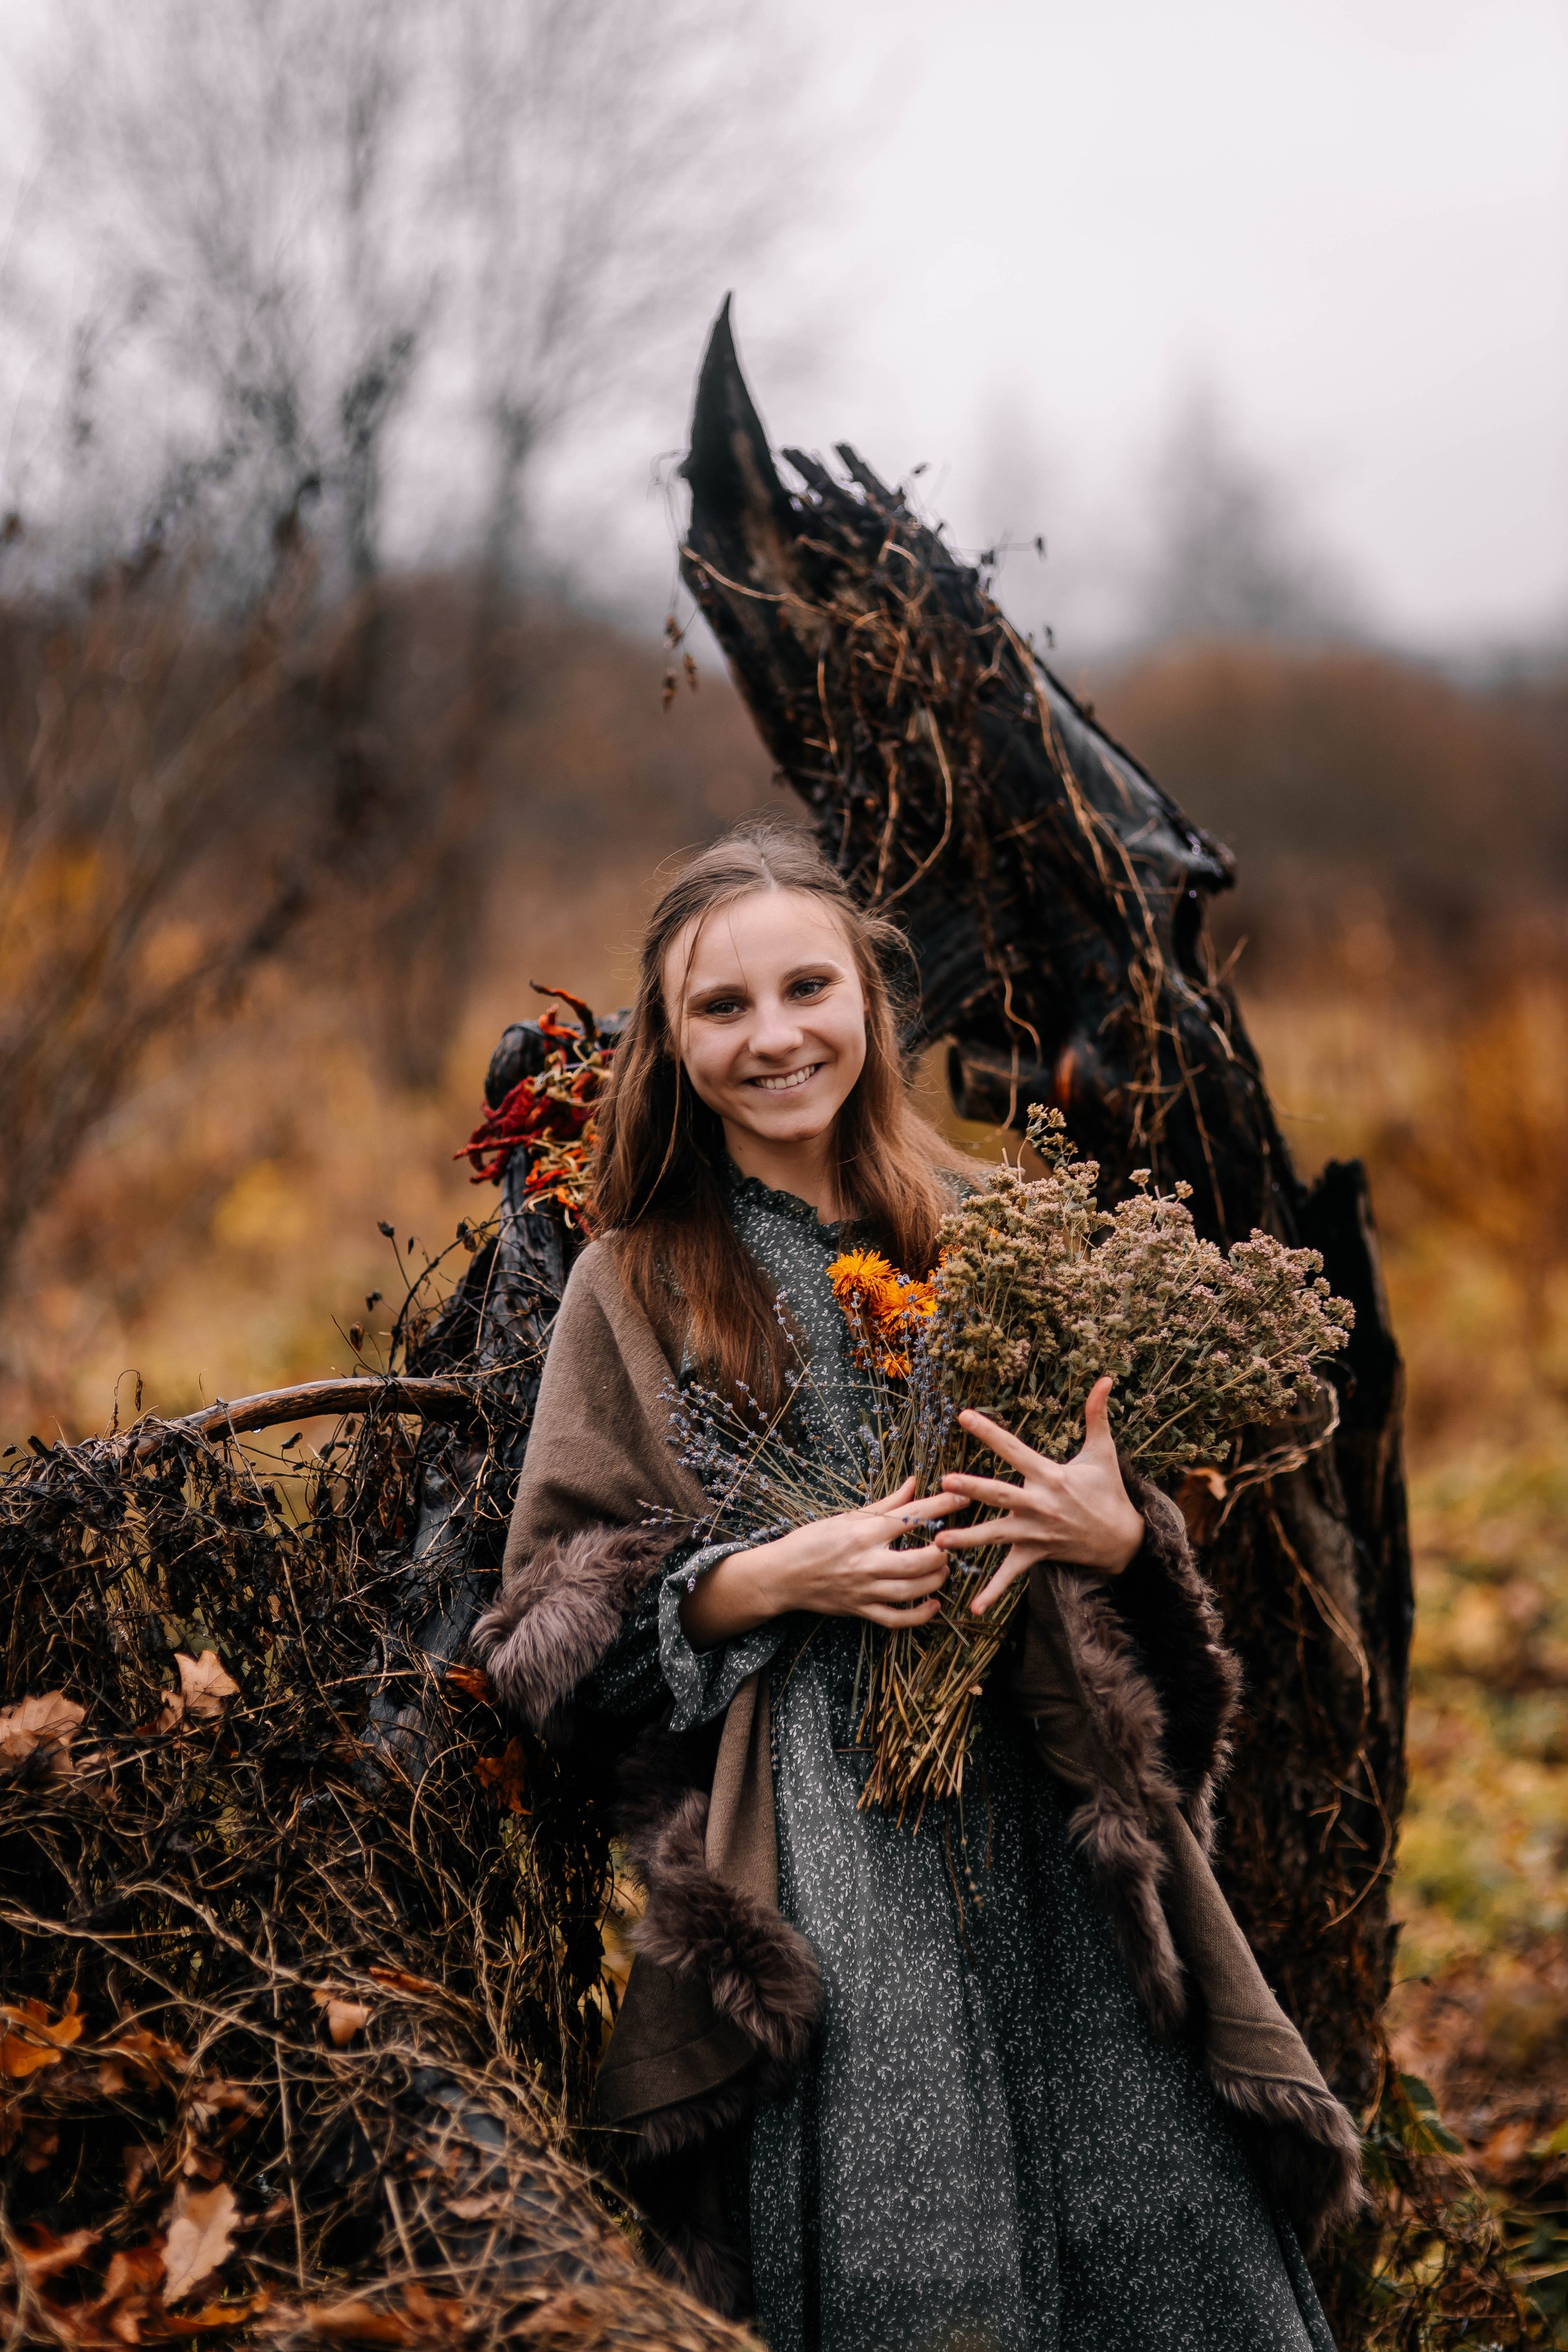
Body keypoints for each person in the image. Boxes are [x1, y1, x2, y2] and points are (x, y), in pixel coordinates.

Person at [475, 820, 1359, 2352]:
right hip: (825, 1860)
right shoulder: (633, 1281)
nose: (773, 1037)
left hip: (1054, 1835)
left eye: (806, 987)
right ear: (670, 1045)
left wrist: (1117, 1540)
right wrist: (757, 1579)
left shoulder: (995, 1233)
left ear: (872, 1006)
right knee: (916, 2261)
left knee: (1165, 2251)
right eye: (720, 1008)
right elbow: (542, 1641)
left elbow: (1140, 1599)